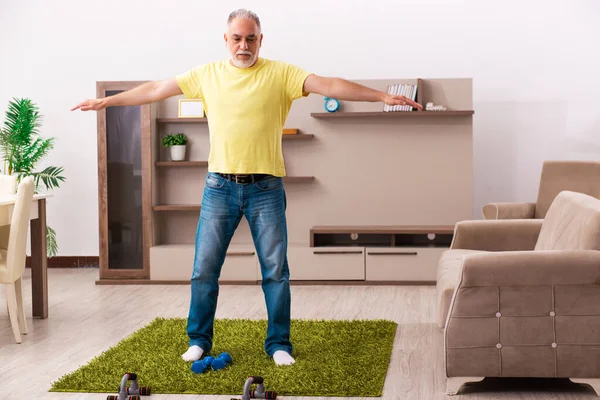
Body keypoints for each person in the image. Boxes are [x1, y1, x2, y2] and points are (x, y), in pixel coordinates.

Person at [72, 8, 422, 366]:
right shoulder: (207, 74)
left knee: (275, 270)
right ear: (226, 40)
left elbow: (330, 85)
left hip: (265, 189)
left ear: (260, 39)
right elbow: (158, 89)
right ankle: (199, 340)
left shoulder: (282, 74)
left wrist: (382, 97)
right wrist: (108, 101)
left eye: (250, 38)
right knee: (204, 268)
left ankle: (279, 344)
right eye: (237, 38)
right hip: (219, 187)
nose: (244, 45)